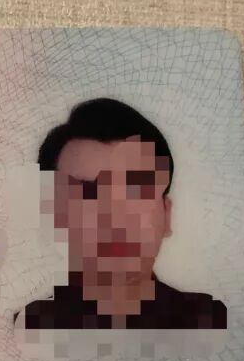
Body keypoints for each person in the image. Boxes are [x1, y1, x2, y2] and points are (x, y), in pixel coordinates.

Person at [18, 98, 226, 330]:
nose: (113, 217)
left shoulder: (210, 323)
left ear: (166, 215)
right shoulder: (27, 329)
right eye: (87, 194)